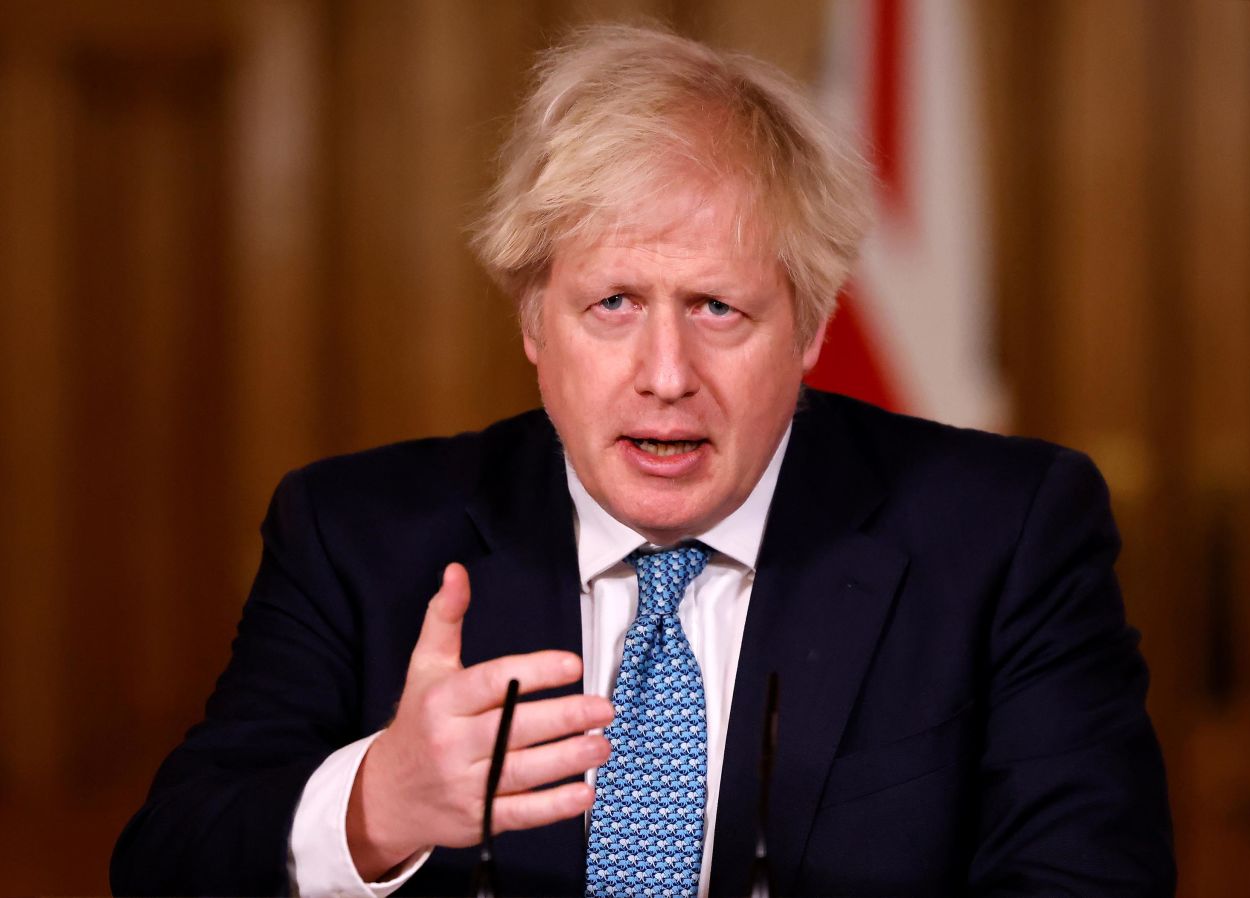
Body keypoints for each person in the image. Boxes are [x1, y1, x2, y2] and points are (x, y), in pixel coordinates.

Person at [111, 23, 1175, 898]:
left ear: (808, 329)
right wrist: (375, 804)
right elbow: (165, 865)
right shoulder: (358, 535)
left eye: (718, 307)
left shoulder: (1004, 534)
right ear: (534, 320)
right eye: (611, 304)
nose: (664, 373)